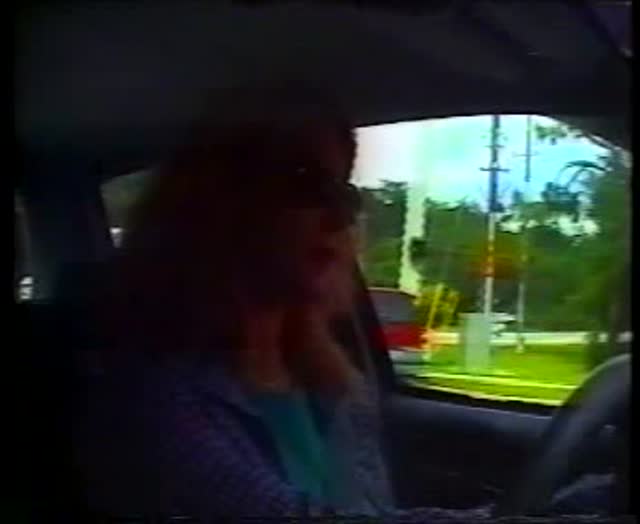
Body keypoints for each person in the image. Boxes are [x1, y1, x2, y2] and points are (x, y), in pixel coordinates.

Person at [76, 87, 496, 522]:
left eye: (344, 195)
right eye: (305, 182)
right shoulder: (158, 397)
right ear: (223, 202)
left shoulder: (335, 386)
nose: (338, 217)